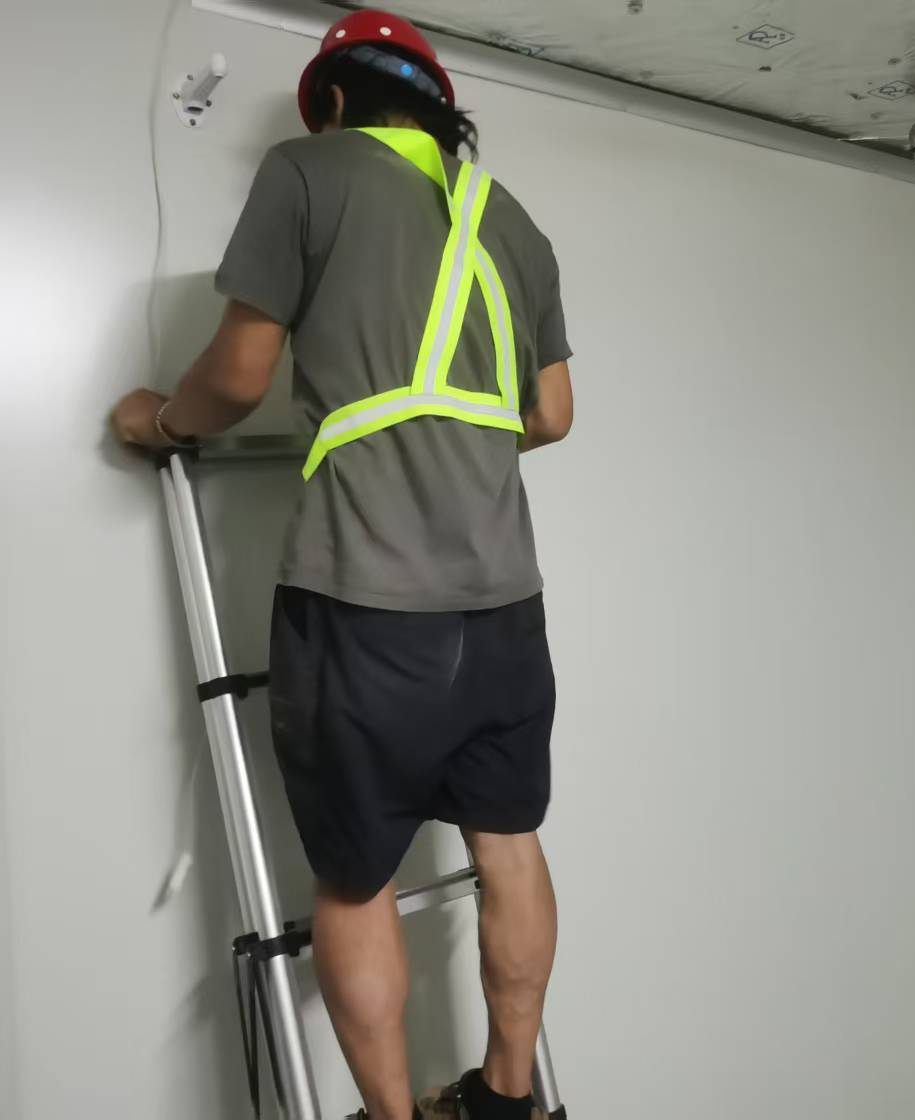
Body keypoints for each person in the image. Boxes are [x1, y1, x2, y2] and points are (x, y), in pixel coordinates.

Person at [109, 11, 572, 1120]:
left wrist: (158, 419)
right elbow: (551, 414)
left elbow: (238, 376)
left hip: (365, 606)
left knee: (356, 878)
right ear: (438, 108)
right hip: (506, 607)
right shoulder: (510, 218)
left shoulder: (306, 172)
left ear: (329, 99)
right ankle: (508, 1100)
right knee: (509, 843)